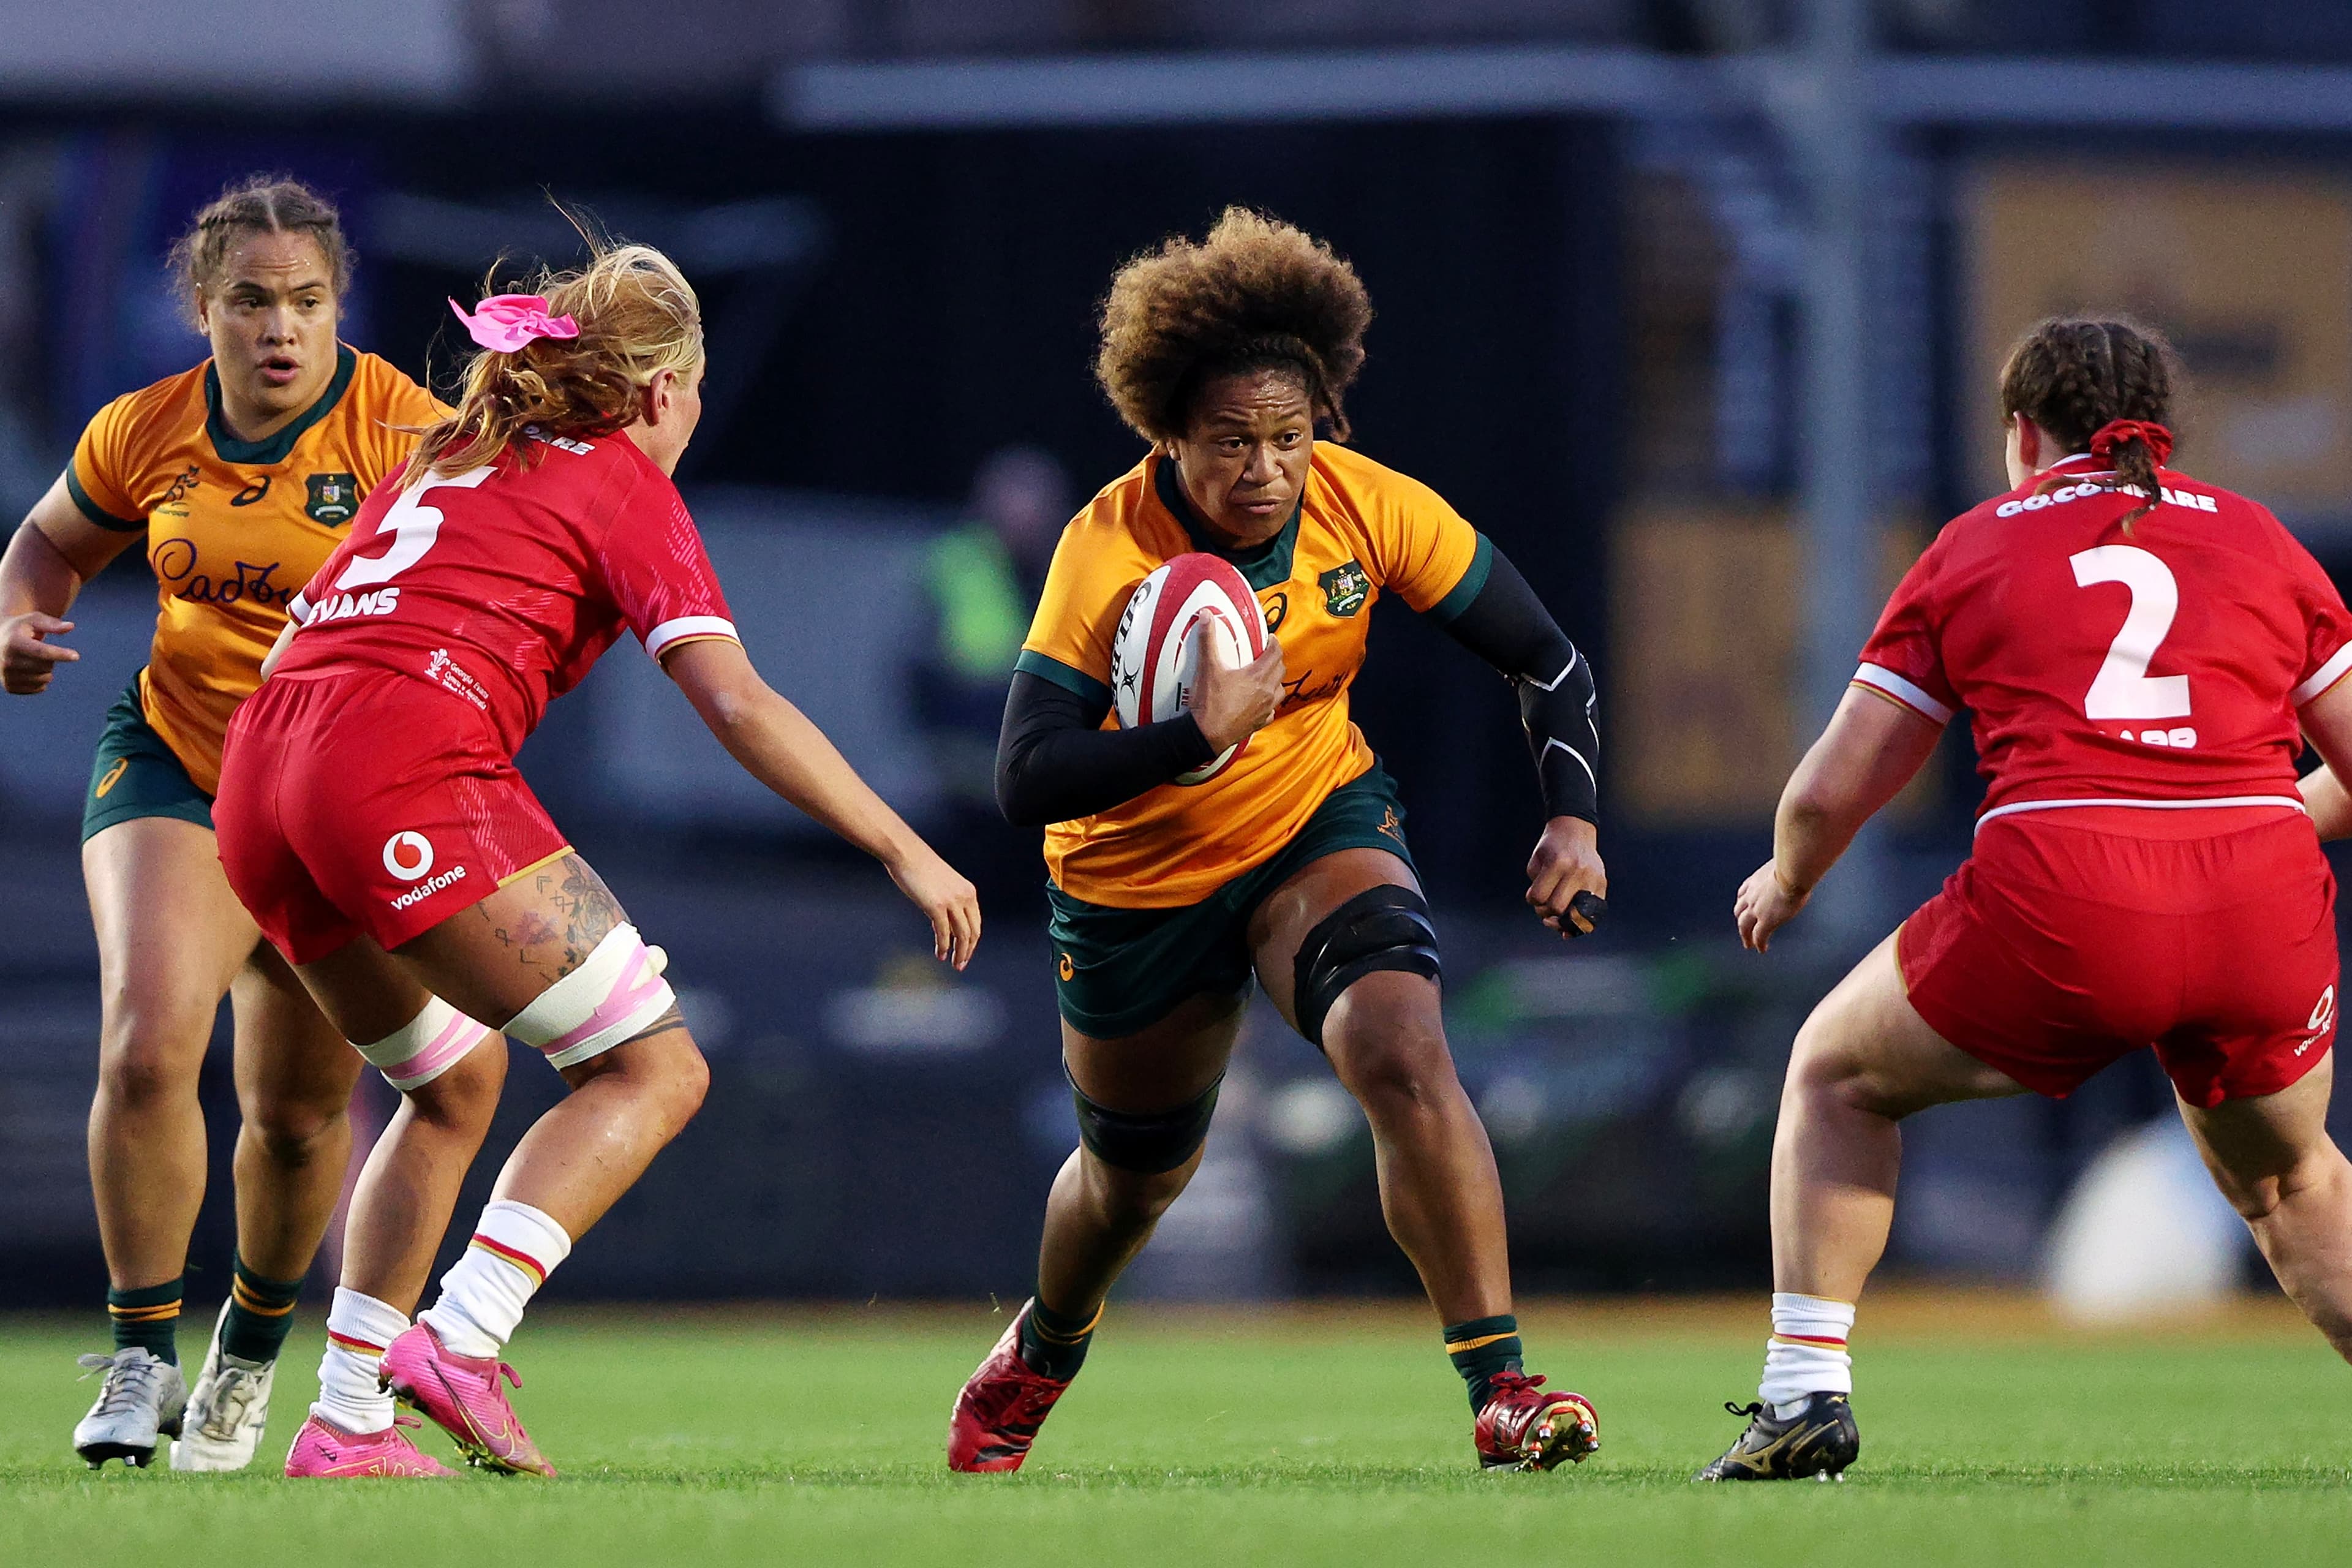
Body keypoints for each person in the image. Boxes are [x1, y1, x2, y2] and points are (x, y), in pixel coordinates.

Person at [210, 237, 981, 1479]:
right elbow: (733, 702)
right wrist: (902, 845)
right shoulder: (624, 477)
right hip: (399, 758)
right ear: (665, 392)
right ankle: (461, 1339)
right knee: (654, 1069)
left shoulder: (447, 453)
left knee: (451, 1088)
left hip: (260, 772)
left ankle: (345, 1418)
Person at [948, 208, 1610, 1476]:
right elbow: (1024, 773)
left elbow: (1549, 657)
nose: (1264, 469)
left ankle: (1502, 1384)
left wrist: (1572, 816)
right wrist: (1191, 735)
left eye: (1289, 438)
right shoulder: (1107, 547)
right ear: (1167, 436)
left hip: (1313, 822)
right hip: (1134, 881)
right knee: (1131, 1182)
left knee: (1400, 1044)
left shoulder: (1365, 508)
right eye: (1229, 443)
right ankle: (1044, 1343)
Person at [1700, 317, 2352, 1482]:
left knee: (1835, 1076)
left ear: (2021, 431)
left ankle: (1802, 1398)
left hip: (2067, 893)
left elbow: (1839, 783)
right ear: (2163, 428)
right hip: (2260, 898)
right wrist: (2259, 824)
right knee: (2294, 1182)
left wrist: (1789, 877)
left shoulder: (1976, 545)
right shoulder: (2260, 539)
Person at [0, 175, 448, 1471]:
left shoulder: (400, 431)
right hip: (179, 765)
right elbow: (45, 550)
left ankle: (246, 1360)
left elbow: (495, 567)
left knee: (302, 1113)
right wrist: (19, 625)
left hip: (329, 798)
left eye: (305, 300)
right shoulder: (143, 430)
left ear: (337, 308)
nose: (279, 327)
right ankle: (139, 1355)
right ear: (201, 307)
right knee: (146, 1045)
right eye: (250, 299)